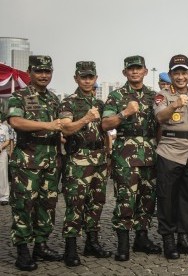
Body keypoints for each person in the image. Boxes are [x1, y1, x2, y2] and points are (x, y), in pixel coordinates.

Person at [102, 55, 160, 261]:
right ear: (124, 72)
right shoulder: (116, 96)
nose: (135, 72)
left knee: (147, 198)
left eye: (138, 68)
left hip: (150, 153)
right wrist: (124, 113)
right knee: (126, 199)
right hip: (125, 156)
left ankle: (142, 239)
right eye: (131, 69)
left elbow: (160, 124)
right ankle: (123, 243)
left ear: (145, 71)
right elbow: (106, 124)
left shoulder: (155, 96)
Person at [8, 55, 63, 271]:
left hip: (50, 162)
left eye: (47, 71)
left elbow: (61, 127)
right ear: (30, 72)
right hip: (27, 163)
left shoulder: (54, 99)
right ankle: (22, 251)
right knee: (23, 206)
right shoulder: (19, 96)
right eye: (39, 71)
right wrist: (48, 125)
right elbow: (15, 121)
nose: (43, 75)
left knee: (47, 207)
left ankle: (41, 245)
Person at [59, 61, 112, 266]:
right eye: (83, 77)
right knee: (75, 204)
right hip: (78, 160)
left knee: (97, 202)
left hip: (98, 159)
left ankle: (92, 242)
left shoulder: (100, 104)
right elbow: (65, 129)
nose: (87, 80)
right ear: (76, 79)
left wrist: (108, 155)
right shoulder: (69, 102)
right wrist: (85, 118)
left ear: (96, 78)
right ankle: (70, 248)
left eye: (91, 77)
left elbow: (105, 131)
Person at [154, 54, 188, 259]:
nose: (181, 77)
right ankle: (168, 239)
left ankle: (184, 237)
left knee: (187, 197)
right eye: (177, 72)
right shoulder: (162, 95)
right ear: (171, 74)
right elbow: (159, 117)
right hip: (170, 152)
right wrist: (174, 105)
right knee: (167, 198)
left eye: (184, 72)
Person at [0, 113, 10, 206]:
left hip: (2, 153)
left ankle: (4, 197)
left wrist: (2, 146)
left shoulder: (4, 128)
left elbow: (8, 140)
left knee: (3, 175)